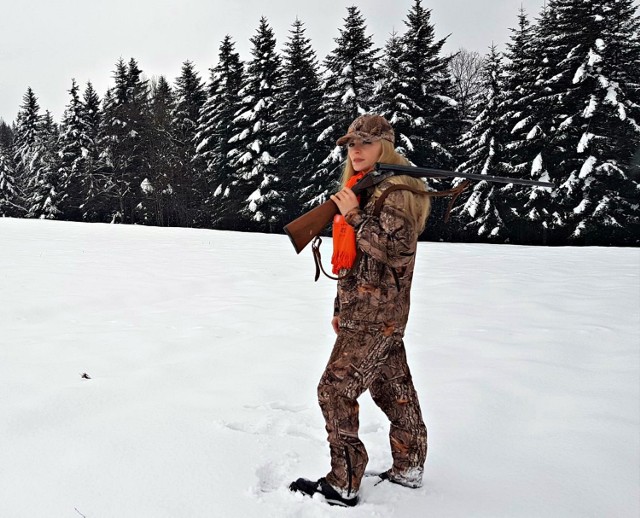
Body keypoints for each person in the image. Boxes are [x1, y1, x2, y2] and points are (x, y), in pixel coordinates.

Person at [290, 114, 431, 507]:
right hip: (366, 310)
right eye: (351, 143)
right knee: (393, 390)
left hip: (377, 315)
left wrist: (353, 214)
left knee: (334, 391)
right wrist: (340, 305)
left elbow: (396, 250)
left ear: (385, 147)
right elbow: (353, 259)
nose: (355, 149)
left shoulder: (396, 191)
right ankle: (408, 468)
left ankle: (344, 481)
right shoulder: (363, 188)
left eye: (365, 143)